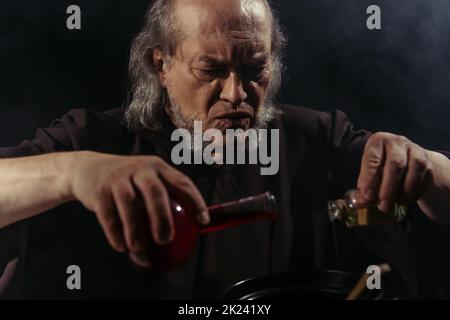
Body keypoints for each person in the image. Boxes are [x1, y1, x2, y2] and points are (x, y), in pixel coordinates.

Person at [0, 0, 449, 299]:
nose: (237, 94)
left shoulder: (317, 138)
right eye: (211, 69)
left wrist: (424, 165)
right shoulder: (92, 139)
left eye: (255, 69)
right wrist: (72, 172)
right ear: (161, 63)